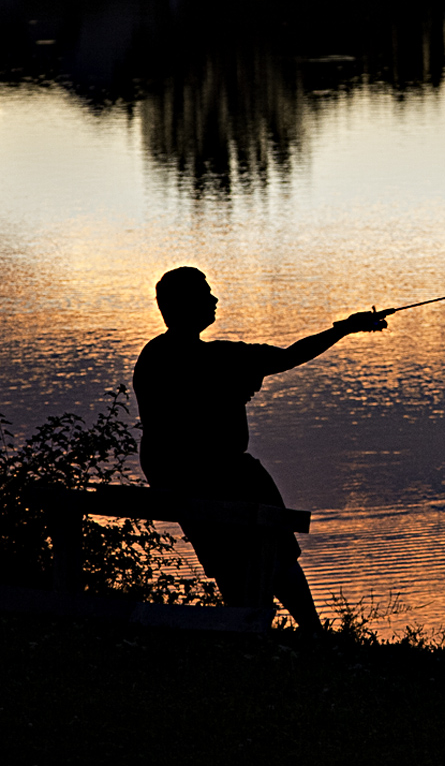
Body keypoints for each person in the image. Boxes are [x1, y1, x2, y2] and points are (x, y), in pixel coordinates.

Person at [132, 266, 387, 630]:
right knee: (274, 546)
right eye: (205, 293)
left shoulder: (154, 356)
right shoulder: (219, 358)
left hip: (177, 483)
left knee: (232, 561)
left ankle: (252, 629)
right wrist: (344, 328)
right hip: (220, 480)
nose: (214, 299)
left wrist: (232, 392)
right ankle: (307, 631)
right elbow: (289, 357)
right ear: (185, 305)